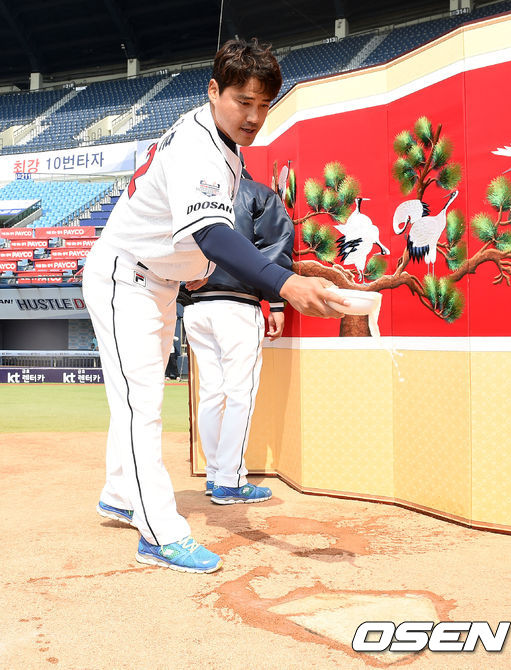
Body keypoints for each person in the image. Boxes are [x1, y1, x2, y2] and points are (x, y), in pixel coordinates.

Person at [82, 38, 350, 575]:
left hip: (156, 283)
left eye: (263, 104)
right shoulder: (198, 145)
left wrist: (277, 270)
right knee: (141, 406)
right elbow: (211, 233)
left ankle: (119, 493)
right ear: (213, 91)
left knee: (137, 399)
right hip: (125, 277)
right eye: (242, 101)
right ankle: (159, 534)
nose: (253, 116)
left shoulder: (220, 142)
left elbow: (203, 234)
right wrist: (284, 284)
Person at [183, 174, 293, 504]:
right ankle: (230, 482)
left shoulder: (191, 191)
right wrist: (276, 302)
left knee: (211, 393)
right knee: (239, 394)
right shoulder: (257, 193)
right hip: (237, 306)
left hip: (196, 310)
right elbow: (274, 247)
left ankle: (215, 474)